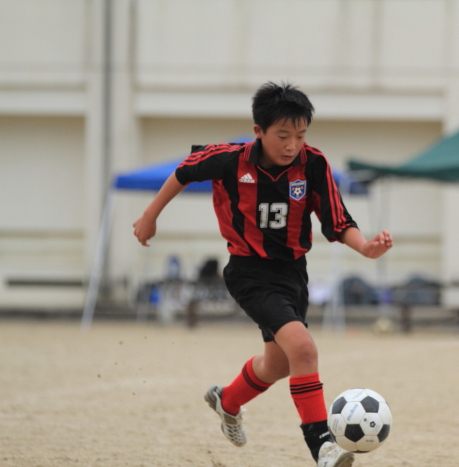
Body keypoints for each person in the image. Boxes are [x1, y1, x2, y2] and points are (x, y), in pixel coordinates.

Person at [132, 82, 393, 467]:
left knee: (279, 364)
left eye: (300, 136)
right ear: (259, 131)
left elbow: (338, 221)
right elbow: (183, 172)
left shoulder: (314, 164)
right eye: (283, 136)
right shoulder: (229, 159)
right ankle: (322, 446)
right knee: (303, 348)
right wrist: (150, 216)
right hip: (248, 272)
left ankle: (228, 400)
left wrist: (367, 247)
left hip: (293, 273)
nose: (292, 145)